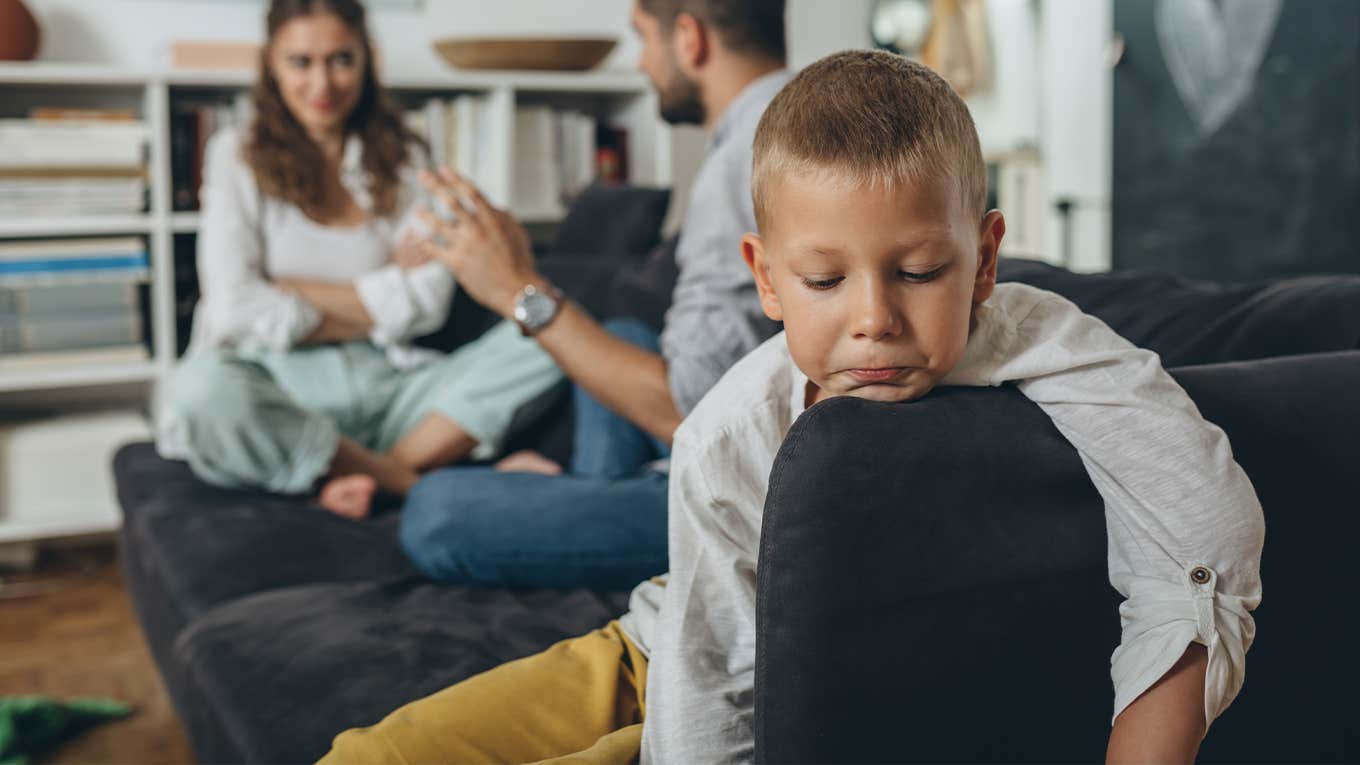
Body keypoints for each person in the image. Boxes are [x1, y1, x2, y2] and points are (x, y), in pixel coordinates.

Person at [320, 51, 1265, 763]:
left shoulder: (1045, 344)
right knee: (371, 754)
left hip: (799, 706)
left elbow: (1203, 530)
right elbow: (704, 685)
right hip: (666, 652)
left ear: (984, 256)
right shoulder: (728, 430)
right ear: (765, 279)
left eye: (919, 271)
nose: (874, 320)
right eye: (823, 279)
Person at [398, 0, 792, 589]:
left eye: (642, 38)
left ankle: (595, 507)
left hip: (745, 495)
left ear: (688, 38)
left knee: (435, 512)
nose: (641, 61)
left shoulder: (748, 156)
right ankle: (592, 501)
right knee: (621, 336)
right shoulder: (786, 118)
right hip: (733, 440)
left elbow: (692, 412)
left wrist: (517, 291)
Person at [155, 0, 562, 518]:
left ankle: (360, 471)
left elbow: (429, 303)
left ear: (366, 60)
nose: (322, 84)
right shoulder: (234, 154)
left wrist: (285, 288)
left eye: (341, 60)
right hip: (278, 389)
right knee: (200, 390)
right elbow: (234, 306)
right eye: (301, 62)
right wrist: (386, 286)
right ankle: (407, 482)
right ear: (271, 65)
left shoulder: (407, 157)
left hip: (390, 388)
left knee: (549, 329)